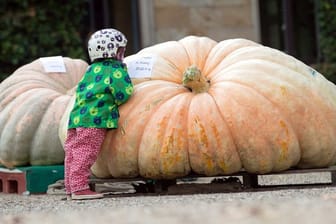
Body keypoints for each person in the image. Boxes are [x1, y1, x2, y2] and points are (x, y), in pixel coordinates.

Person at [64, 28, 134, 200]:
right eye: (121, 50)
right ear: (113, 51)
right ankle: (80, 188)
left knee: (72, 153)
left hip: (76, 118)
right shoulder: (114, 69)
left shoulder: (91, 69)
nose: (123, 53)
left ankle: (70, 187)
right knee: (86, 152)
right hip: (94, 120)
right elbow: (123, 93)